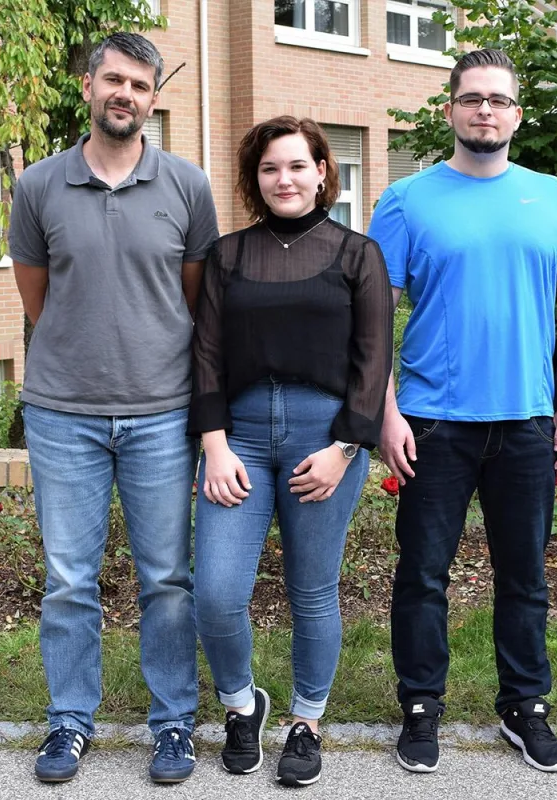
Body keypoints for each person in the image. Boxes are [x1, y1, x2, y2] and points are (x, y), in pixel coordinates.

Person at [369, 49, 557, 774]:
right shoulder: (406, 201)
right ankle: (420, 706)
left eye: (499, 100)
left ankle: (524, 706)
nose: (485, 111)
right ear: (449, 110)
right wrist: (384, 412)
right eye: (472, 99)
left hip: (530, 421)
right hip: (433, 422)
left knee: (525, 574)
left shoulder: (553, 196)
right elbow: (375, 313)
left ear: (517, 115)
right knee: (423, 574)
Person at [7, 32, 219, 785]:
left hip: (162, 411)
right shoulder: (37, 186)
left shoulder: (187, 186)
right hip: (64, 412)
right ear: (89, 87)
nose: (126, 94)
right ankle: (68, 721)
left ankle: (172, 726)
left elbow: (191, 300)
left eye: (141, 84)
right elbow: (38, 298)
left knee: (167, 577)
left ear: (153, 99)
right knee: (69, 578)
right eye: (114, 80)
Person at [188, 116, 393, 787]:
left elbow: (373, 359)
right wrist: (214, 445)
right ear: (255, 179)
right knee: (216, 593)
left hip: (324, 439)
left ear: (322, 173)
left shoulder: (357, 254)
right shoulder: (228, 256)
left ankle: (306, 722)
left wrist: (343, 449)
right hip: (239, 439)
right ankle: (242, 706)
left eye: (298, 166)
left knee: (311, 592)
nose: (285, 179)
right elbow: (208, 354)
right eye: (271, 168)